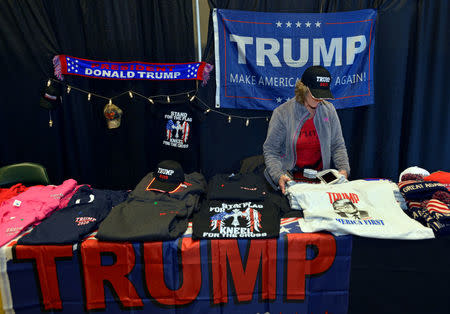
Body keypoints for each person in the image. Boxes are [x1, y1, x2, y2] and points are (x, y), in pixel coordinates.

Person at [263, 65, 350, 194]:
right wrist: (278, 175)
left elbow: (337, 146)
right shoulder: (282, 113)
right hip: (290, 178)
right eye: (315, 94)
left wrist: (343, 171)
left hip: (320, 180)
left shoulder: (329, 110)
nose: (319, 99)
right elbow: (271, 151)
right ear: (303, 89)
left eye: (322, 94)